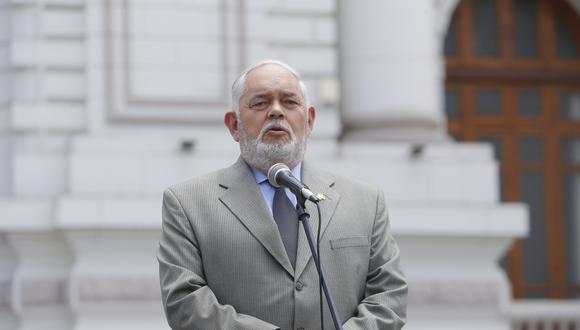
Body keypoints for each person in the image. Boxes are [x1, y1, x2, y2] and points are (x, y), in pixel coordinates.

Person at [157, 60, 408, 330]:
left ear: (309, 120)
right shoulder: (188, 203)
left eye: (289, 102)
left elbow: (388, 297)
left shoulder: (365, 202)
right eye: (260, 103)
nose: (276, 111)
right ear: (233, 125)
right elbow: (186, 304)